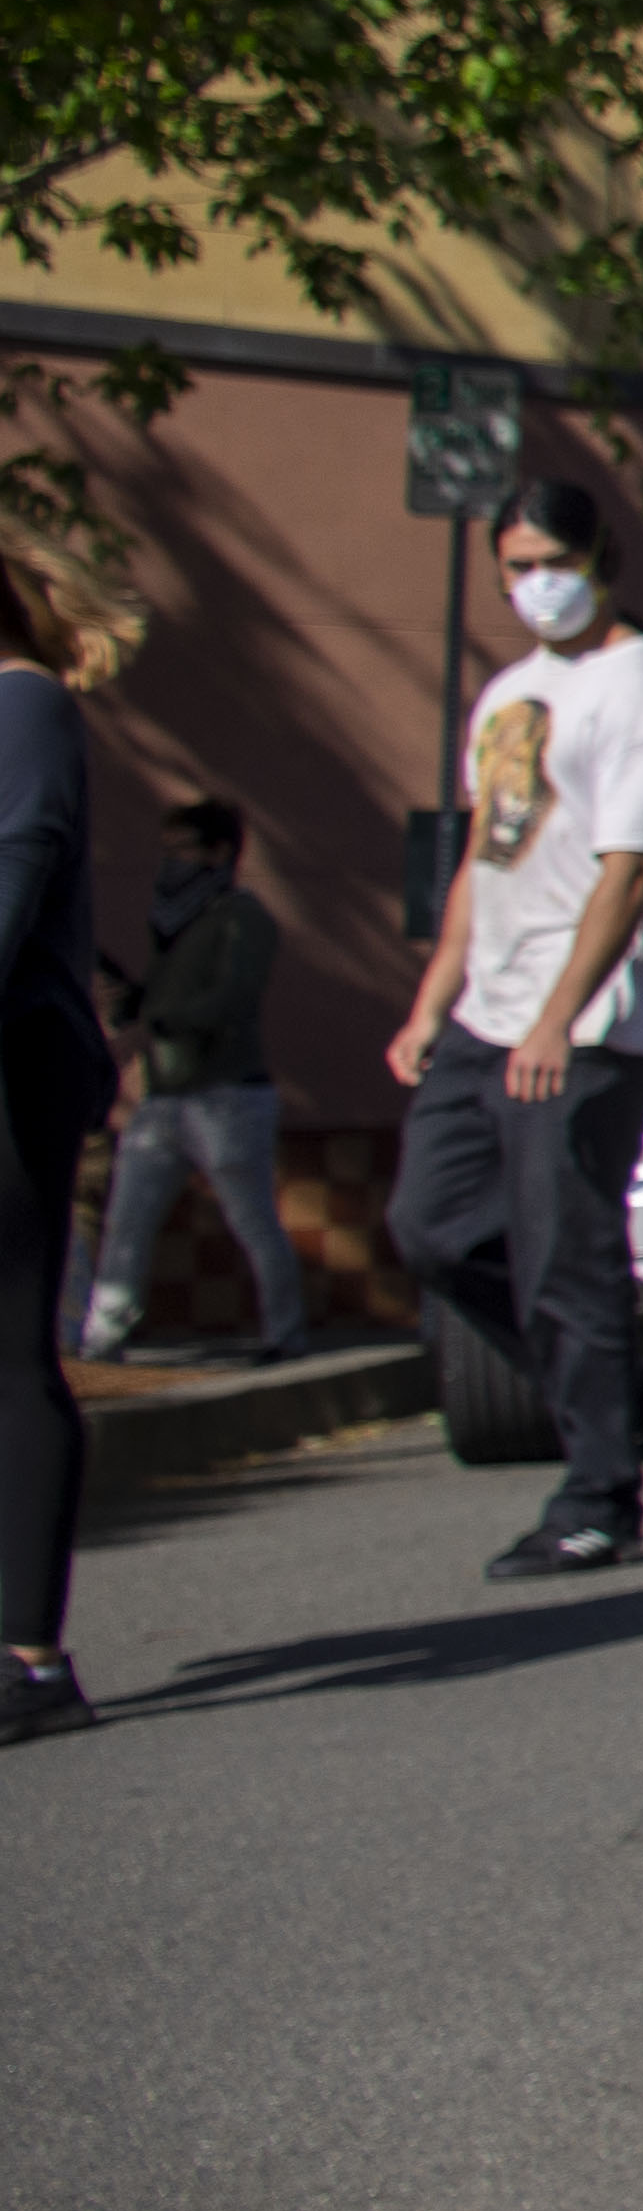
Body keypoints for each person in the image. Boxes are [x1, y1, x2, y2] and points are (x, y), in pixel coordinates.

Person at [395, 479, 643, 1583]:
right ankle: (623, 1390)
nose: (537, 585)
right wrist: (433, 1000)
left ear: (599, 559)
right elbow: (491, 849)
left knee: (564, 1256)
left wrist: (557, 1020)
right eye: (517, 567)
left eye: (554, 563)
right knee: (432, 1227)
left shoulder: (637, 683)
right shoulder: (510, 695)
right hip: (489, 1011)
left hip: (590, 1021)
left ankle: (598, 1498)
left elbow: (633, 868)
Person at [1, 535, 144, 1746]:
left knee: (10, 1355)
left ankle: (31, 1661)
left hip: (13, 1069)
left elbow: (16, 871)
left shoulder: (25, 705)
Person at [81, 795, 303, 1363]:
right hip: (165, 1095)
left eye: (183, 849)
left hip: (227, 1094)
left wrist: (153, 1024)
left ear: (220, 852)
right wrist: (127, 1001)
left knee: (251, 1218)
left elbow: (230, 999)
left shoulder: (242, 919)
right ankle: (103, 1336)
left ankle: (285, 1332)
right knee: (128, 1219)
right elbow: (162, 997)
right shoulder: (175, 920)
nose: (171, 861)